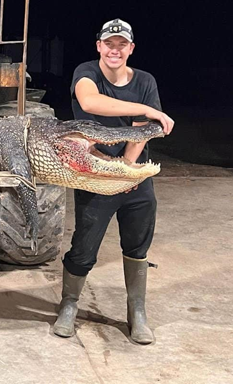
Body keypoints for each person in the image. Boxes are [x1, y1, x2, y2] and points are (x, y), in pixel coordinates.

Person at [53, 18, 174, 345]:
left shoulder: (145, 80)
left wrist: (126, 171)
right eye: (109, 44)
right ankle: (69, 303)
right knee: (84, 247)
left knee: (138, 243)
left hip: (132, 174)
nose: (115, 50)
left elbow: (139, 129)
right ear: (99, 47)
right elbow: (91, 103)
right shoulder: (86, 73)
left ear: (131, 49)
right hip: (93, 175)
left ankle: (137, 311)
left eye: (122, 45)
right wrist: (147, 108)